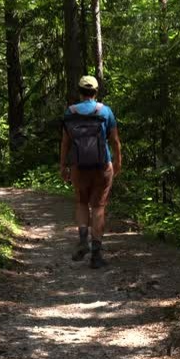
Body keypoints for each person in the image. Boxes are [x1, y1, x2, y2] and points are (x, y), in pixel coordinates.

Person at [60, 75, 121, 268]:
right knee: (98, 207)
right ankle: (96, 255)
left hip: (78, 166)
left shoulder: (70, 112)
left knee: (81, 202)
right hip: (102, 166)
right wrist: (117, 162)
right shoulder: (105, 111)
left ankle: (82, 240)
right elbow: (115, 141)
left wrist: (63, 166)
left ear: (79, 91)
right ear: (96, 91)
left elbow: (65, 143)